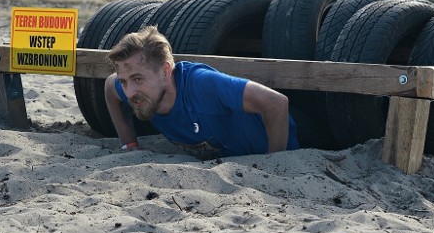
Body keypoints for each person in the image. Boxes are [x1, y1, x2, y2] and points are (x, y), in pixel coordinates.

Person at [104, 25, 298, 157]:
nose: (129, 92)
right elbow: (109, 87)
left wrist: (275, 162)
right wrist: (128, 143)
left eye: (138, 79)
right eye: (124, 82)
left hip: (283, 146)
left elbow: (276, 102)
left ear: (165, 71)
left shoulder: (202, 84)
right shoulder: (138, 93)